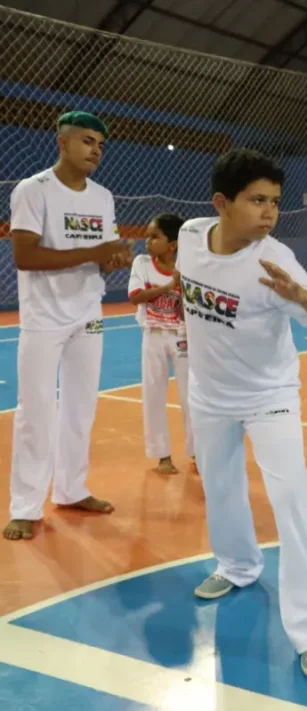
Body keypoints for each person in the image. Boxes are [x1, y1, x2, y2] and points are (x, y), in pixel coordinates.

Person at [178, 148, 307, 679]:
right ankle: (237, 565)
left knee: (291, 501)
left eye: (275, 201)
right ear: (221, 204)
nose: (270, 212)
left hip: (269, 397)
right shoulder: (189, 236)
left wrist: (303, 296)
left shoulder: (275, 261)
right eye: (257, 201)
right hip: (209, 395)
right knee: (221, 488)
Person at [4, 111, 133, 542]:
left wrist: (114, 259)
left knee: (81, 407)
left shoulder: (102, 197)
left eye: (101, 144)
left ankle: (71, 489)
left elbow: (101, 257)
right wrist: (95, 252)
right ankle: (25, 507)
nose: (96, 150)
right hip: (43, 317)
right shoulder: (33, 190)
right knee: (35, 410)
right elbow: (26, 256)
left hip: (88, 314)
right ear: (62, 142)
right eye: (87, 141)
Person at [128, 213, 194, 475]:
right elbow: (136, 296)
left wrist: (182, 291)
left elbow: (185, 313)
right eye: (147, 236)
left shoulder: (188, 268)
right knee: (153, 395)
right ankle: (162, 455)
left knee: (190, 397)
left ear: (172, 245)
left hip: (181, 336)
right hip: (153, 335)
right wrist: (170, 286)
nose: (147, 241)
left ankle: (197, 450)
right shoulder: (142, 264)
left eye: (155, 237)